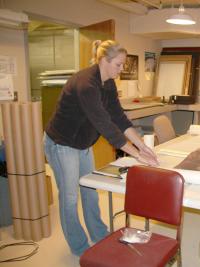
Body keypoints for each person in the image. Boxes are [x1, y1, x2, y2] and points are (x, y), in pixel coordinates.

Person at [44, 40, 159, 256]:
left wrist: (142, 146)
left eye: (123, 65)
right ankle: (80, 247)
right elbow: (105, 125)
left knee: (90, 190)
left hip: (83, 144)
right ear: (104, 61)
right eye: (118, 64)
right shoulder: (86, 84)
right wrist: (136, 155)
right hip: (62, 144)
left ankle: (99, 234)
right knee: (69, 197)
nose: (122, 69)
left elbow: (120, 119)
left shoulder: (108, 83)